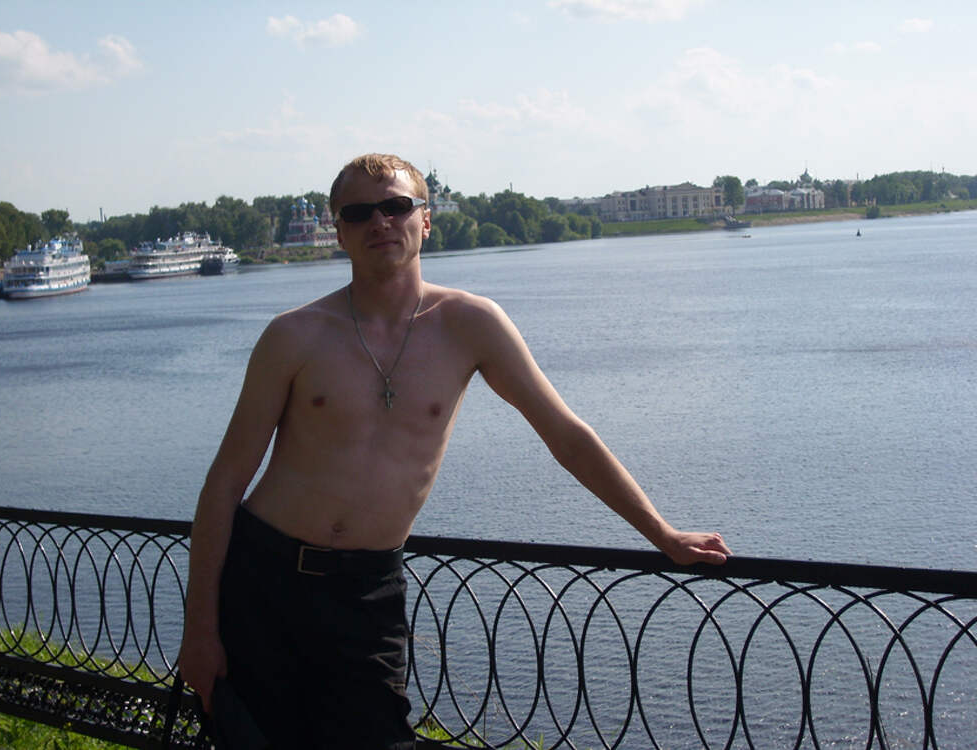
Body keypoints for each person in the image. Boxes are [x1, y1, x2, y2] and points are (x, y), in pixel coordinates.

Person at [178, 153, 731, 748]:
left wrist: (661, 533)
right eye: (358, 213)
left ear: (425, 219)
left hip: (366, 590)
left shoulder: (470, 324)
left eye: (395, 206)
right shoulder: (293, 335)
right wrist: (200, 629)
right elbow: (225, 483)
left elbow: (566, 435)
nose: (379, 222)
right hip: (264, 580)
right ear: (338, 232)